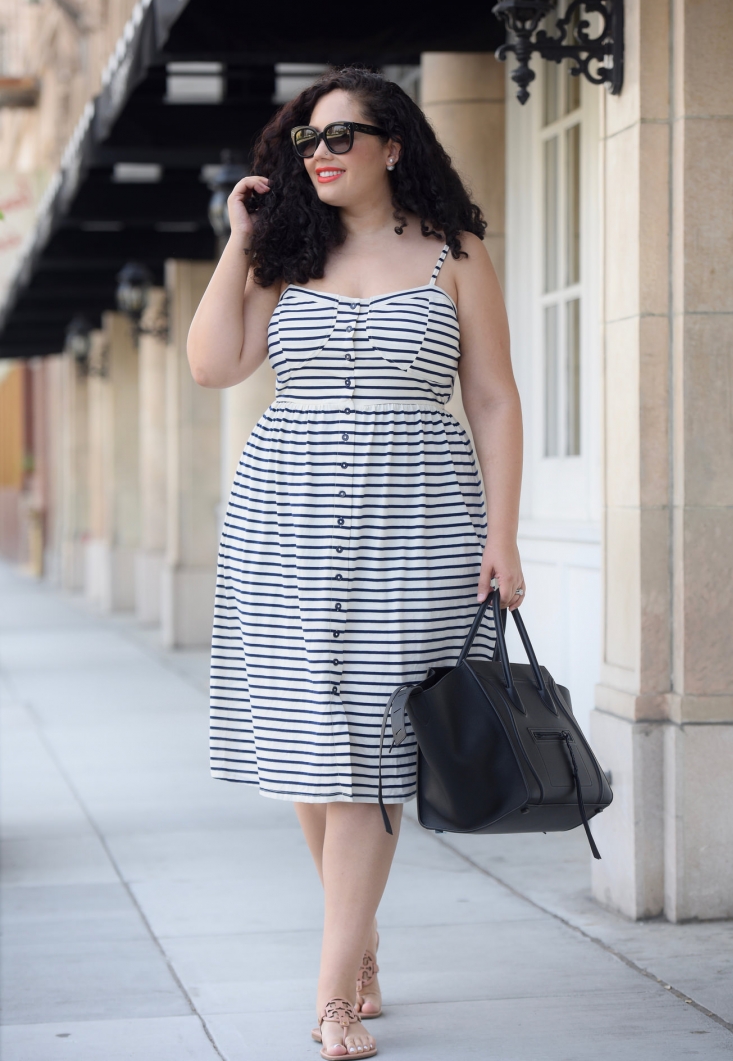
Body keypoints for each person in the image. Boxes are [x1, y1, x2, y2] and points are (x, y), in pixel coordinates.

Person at [187, 65, 524, 1060]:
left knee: (373, 750)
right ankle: (359, 939)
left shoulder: (454, 253)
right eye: (306, 140)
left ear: (393, 146)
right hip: (284, 517)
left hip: (418, 516)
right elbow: (212, 364)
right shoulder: (286, 250)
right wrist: (241, 237)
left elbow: (495, 399)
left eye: (341, 136)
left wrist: (503, 535)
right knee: (313, 743)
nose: (321, 153)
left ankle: (331, 996)